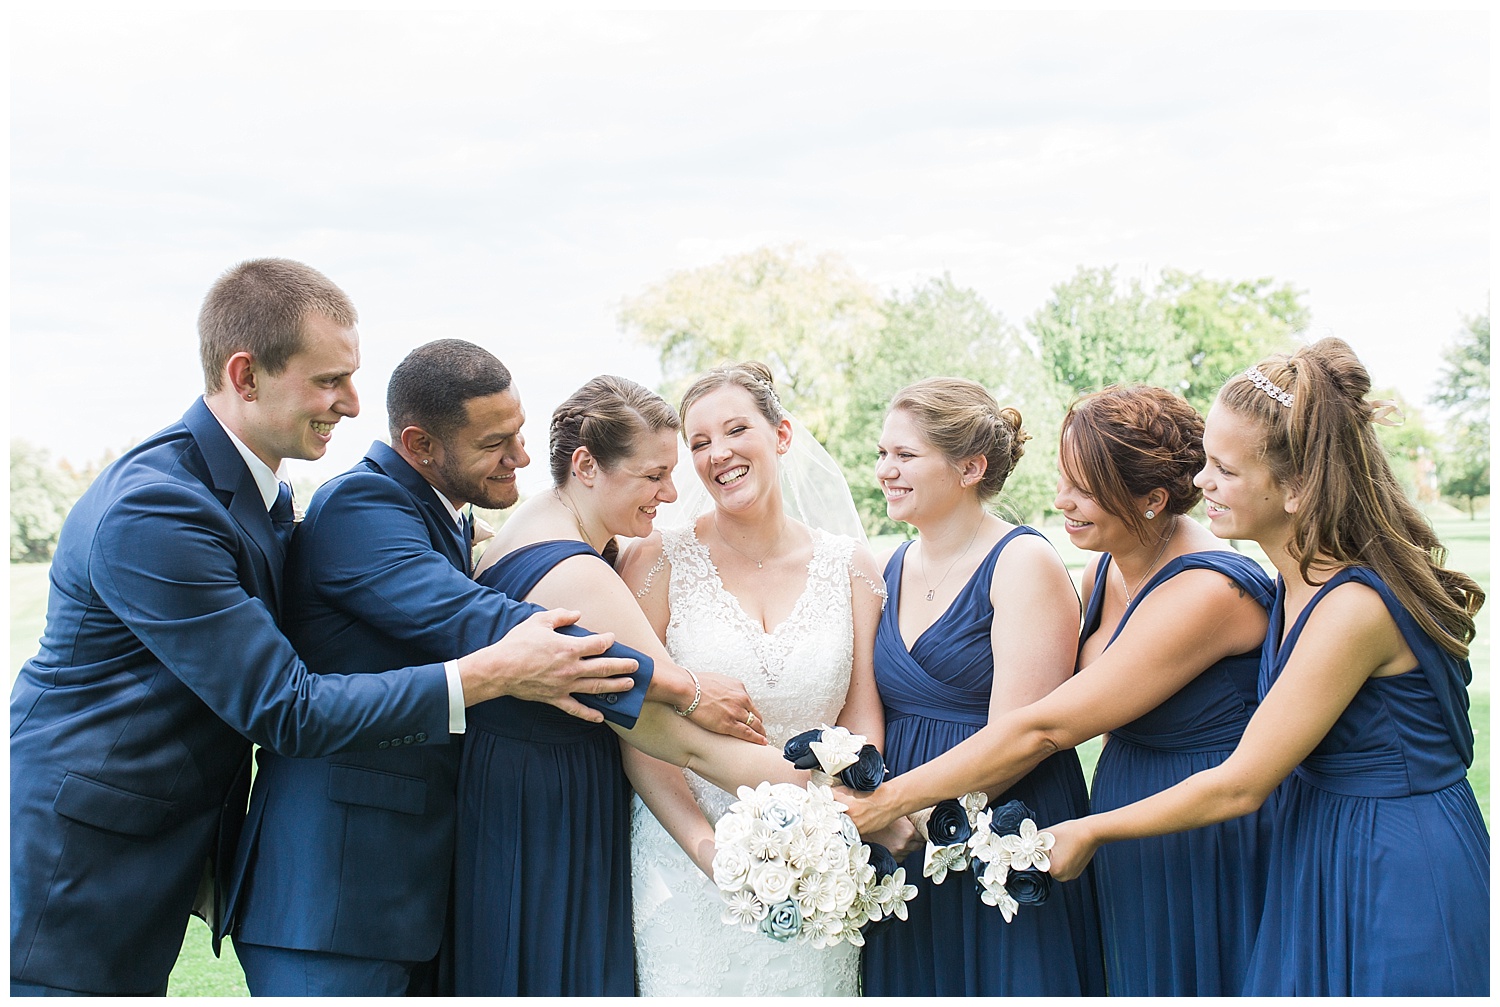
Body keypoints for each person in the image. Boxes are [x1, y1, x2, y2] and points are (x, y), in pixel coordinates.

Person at [8, 261, 639, 997]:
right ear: (246, 375)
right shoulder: (158, 509)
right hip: (76, 863)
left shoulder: (261, 492)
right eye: (328, 380)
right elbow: (285, 707)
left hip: (162, 845)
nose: (349, 402)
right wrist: (496, 670)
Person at [225, 340, 763, 996]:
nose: (524, 457)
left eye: (518, 432)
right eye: (495, 442)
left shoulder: (449, 520)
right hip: (332, 891)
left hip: (420, 883)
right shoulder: (360, 508)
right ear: (421, 444)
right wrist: (679, 684)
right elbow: (480, 620)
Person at [1043, 339, 1489, 995]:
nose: (1199, 483)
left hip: (1394, 861)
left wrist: (1092, 828)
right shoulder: (1292, 580)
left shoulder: (1353, 605)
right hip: (1319, 843)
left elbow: (1239, 786)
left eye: (1224, 470)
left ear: (1297, 486)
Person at [845, 384, 1276, 995]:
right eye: (1063, 478)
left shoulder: (1208, 592)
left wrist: (888, 805)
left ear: (1152, 500)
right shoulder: (1105, 566)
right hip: (1123, 813)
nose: (1061, 501)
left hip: (1199, 831)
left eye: (1085, 488)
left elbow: (1047, 726)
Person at [455, 374, 811, 996]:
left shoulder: (532, 525)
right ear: (587, 465)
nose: (672, 494)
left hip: (511, 788)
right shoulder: (576, 574)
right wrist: (835, 798)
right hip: (548, 807)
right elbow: (684, 741)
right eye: (653, 476)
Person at [619, 361, 894, 996]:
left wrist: (840, 829)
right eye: (699, 443)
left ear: (783, 436)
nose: (719, 454)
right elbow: (637, 724)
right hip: (681, 858)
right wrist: (706, 850)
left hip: (819, 856)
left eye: (736, 429)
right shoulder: (658, 562)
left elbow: (861, 714)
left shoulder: (850, 566)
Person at [859, 377, 1106, 996]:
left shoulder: (1023, 562)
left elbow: (1021, 740)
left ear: (970, 467)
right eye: (883, 454)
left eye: (906, 456)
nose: (886, 470)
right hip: (904, 847)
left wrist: (910, 814)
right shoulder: (893, 565)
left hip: (996, 829)